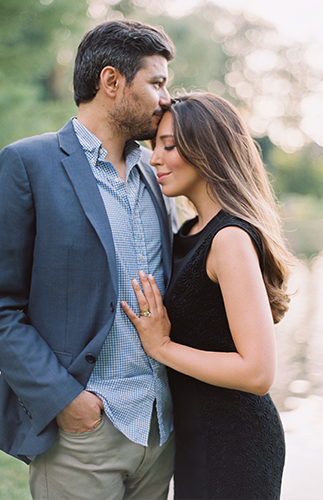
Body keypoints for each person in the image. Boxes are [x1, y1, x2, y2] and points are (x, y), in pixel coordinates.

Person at [0, 19, 178, 500]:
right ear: (112, 81)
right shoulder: (27, 164)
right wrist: (65, 401)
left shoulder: (159, 172)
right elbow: (2, 306)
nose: (167, 98)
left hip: (159, 430)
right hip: (82, 436)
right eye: (157, 82)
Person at [121, 92, 296, 499]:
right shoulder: (189, 233)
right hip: (196, 438)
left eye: (169, 146)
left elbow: (257, 373)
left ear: (208, 147)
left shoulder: (229, 239)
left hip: (235, 447)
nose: (155, 160)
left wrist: (161, 347)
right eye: (153, 147)